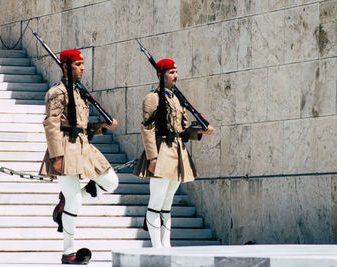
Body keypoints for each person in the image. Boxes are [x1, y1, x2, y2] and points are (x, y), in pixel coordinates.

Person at [39, 49, 119, 264]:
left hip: (84, 146)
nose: (82, 68)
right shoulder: (57, 92)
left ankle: (64, 204)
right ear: (65, 66)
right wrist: (57, 155)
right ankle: (68, 252)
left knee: (111, 181)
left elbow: (81, 125)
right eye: (77, 64)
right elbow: (52, 124)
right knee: (74, 201)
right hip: (65, 147)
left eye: (82, 64)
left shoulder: (79, 91)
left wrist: (102, 126)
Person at [133, 58, 214, 248]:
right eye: (171, 72)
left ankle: (165, 245)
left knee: (167, 202)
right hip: (162, 151)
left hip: (177, 152)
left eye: (176, 72)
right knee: (157, 200)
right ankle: (156, 247)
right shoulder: (152, 98)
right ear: (160, 75)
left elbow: (182, 128)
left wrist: (199, 131)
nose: (175, 75)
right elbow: (147, 128)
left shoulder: (176, 98)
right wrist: (152, 157)